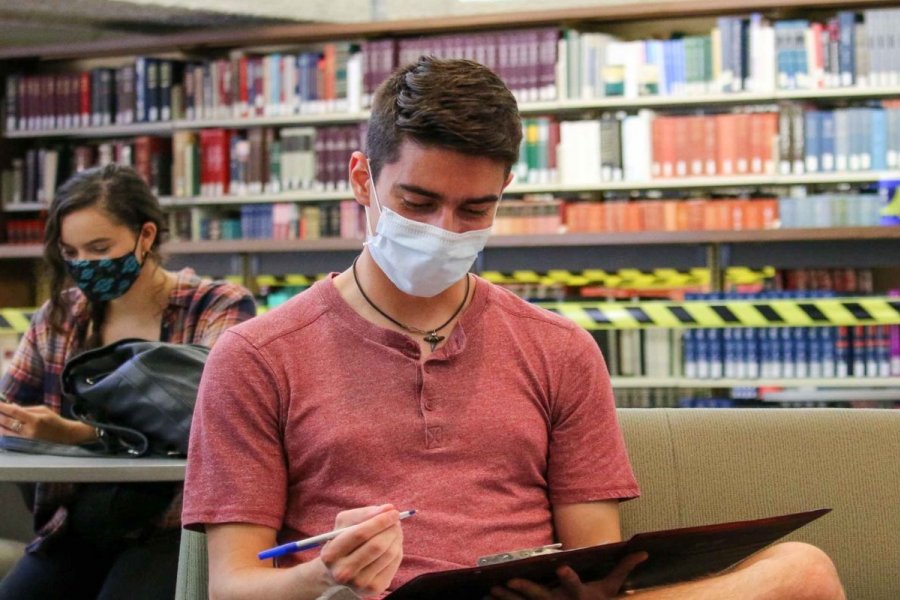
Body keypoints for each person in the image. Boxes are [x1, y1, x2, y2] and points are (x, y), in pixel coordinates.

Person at [181, 57, 845, 600]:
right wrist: (325, 572)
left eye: (475, 208)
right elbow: (233, 586)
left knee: (803, 572)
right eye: (417, 202)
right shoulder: (256, 356)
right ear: (362, 181)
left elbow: (593, 551)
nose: (444, 230)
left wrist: (587, 588)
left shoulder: (557, 348)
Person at [0, 163, 256, 600]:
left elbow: (209, 419)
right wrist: (20, 422)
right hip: (73, 525)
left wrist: (77, 433)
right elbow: (10, 410)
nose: (85, 265)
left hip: (175, 527)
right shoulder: (59, 318)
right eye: (71, 253)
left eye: (99, 247)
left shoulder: (217, 306)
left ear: (147, 236)